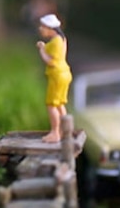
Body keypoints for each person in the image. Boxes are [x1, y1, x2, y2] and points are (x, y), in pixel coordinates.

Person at [36, 13, 72, 143]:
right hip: (63, 73)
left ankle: (55, 132)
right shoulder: (61, 39)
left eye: (43, 27)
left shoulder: (56, 42)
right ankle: (66, 130)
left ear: (50, 28)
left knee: (51, 105)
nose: (41, 29)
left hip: (57, 75)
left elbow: (50, 61)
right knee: (60, 104)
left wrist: (41, 49)